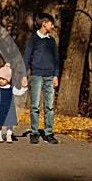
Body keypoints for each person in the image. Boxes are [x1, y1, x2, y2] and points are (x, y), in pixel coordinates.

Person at [21, 12, 60, 144]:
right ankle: (34, 132)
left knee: (49, 106)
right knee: (35, 106)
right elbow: (26, 58)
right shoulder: (33, 40)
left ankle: (48, 133)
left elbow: (56, 59)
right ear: (44, 24)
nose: (53, 26)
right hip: (36, 76)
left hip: (50, 76)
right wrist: (23, 76)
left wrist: (56, 75)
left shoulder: (51, 41)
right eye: (51, 24)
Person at [0, 63, 27, 143]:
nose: (1, 81)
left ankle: (9, 135)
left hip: (9, 109)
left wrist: (24, 88)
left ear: (8, 80)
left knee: (9, 123)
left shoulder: (11, 89)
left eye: (3, 79)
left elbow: (19, 92)